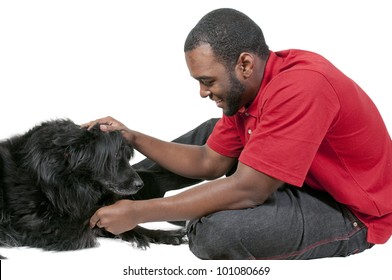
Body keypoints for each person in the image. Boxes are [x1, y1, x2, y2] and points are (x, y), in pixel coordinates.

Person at [84, 8, 392, 260]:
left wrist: (139, 214)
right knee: (210, 134)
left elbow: (249, 190)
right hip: (292, 179)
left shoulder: (302, 87)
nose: (203, 92)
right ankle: (112, 199)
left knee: (214, 235)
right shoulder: (247, 91)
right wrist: (133, 137)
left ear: (244, 63)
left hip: (349, 212)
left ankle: (155, 210)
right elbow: (208, 161)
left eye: (208, 81)